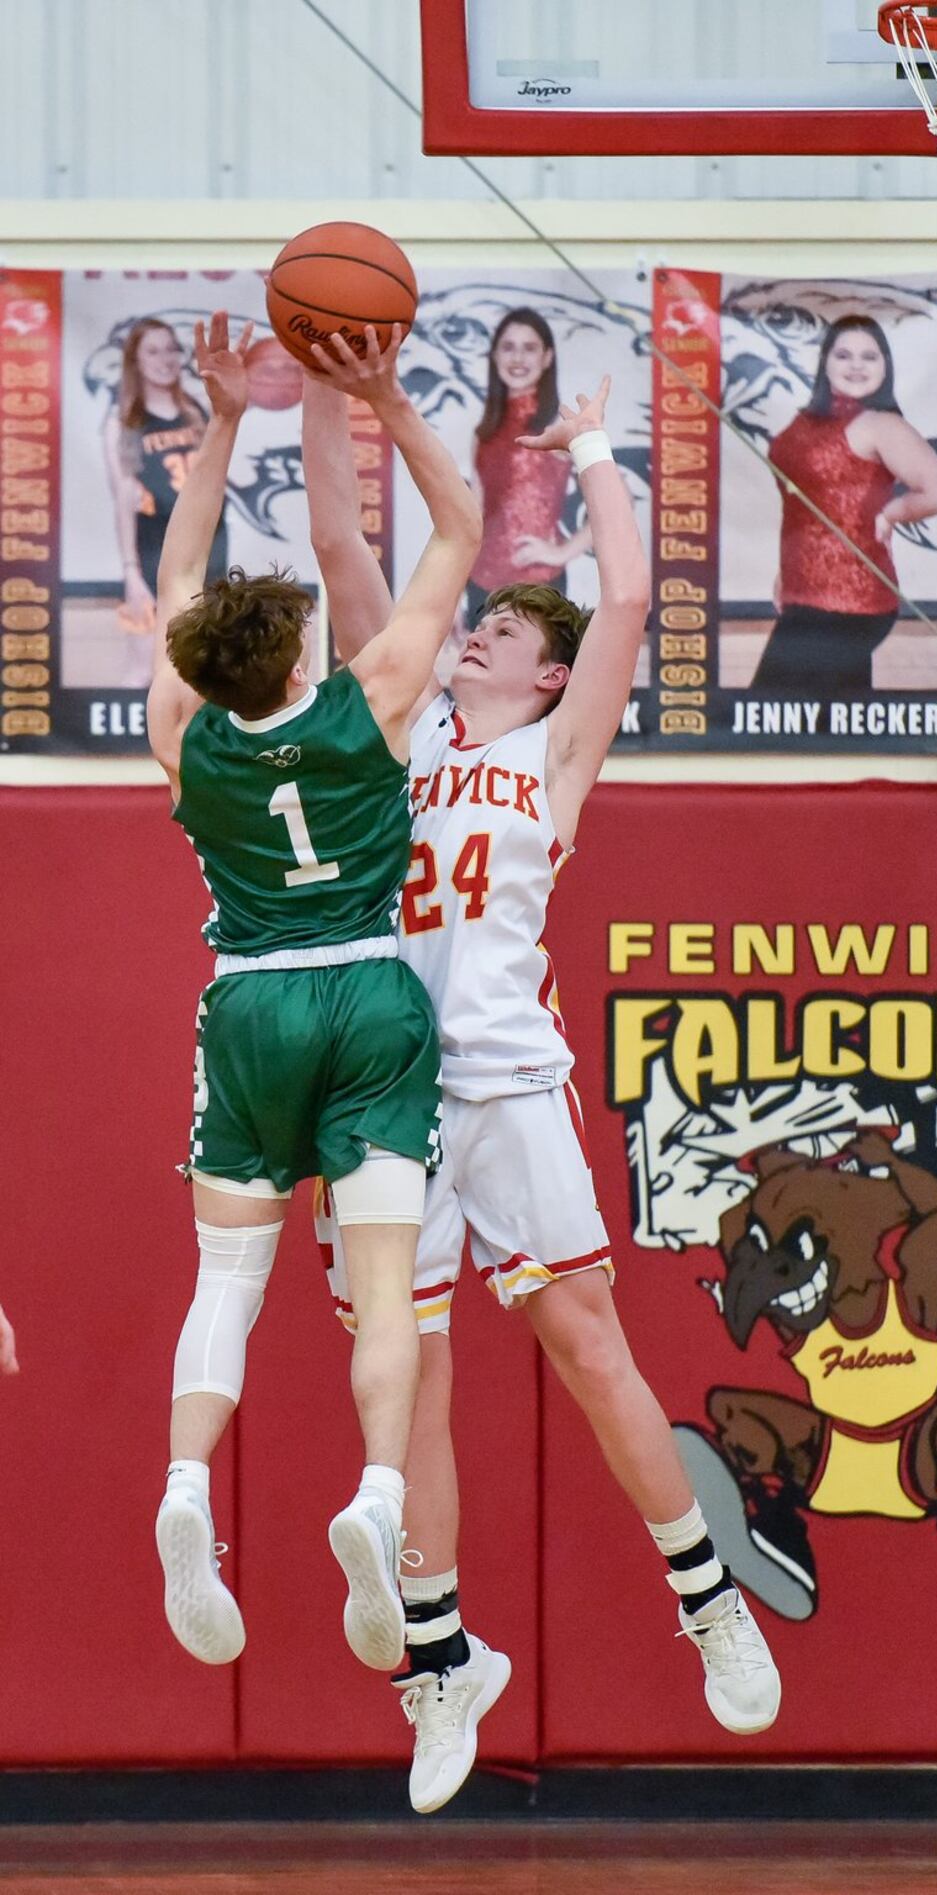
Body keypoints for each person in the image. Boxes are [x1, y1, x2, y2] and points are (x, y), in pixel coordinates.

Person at [302, 361, 782, 1816]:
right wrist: (333, 396)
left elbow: (626, 605)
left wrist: (595, 459)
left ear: (545, 674)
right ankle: (443, 1659)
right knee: (415, 1373)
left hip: (506, 1076)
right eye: (474, 622)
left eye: (497, 628)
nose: (470, 636)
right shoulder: (397, 731)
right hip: (382, 1084)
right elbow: (341, 549)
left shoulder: (552, 756)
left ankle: (708, 1594)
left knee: (587, 1339)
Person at [147, 313, 482, 1678]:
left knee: (227, 1275)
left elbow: (179, 573)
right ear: (298, 660)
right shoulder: (374, 697)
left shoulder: (184, 734)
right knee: (387, 1288)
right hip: (369, 998)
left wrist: (223, 422)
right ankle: (382, 1493)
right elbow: (455, 531)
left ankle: (184, 1489)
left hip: (248, 1006)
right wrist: (383, 398)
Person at [752, 313, 937, 695]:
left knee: (772, 712)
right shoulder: (808, 420)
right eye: (844, 355)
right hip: (804, 595)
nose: (857, 366)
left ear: (885, 366)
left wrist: (893, 513)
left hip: (852, 601)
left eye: (869, 356)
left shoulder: (881, 424)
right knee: (837, 719)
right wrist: (789, 574)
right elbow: (806, 505)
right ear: (825, 361)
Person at [101, 318, 229, 686]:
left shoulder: (197, 411)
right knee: (144, 668)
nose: (165, 359)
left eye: (171, 348)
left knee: (210, 669)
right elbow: (123, 501)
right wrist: (130, 571)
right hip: (154, 550)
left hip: (209, 546)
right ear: (135, 361)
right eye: (152, 351)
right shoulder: (122, 423)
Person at [466, 307, 591, 622]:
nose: (517, 358)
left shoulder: (560, 425)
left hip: (539, 590)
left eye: (529, 348)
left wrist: (562, 552)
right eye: (508, 347)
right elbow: (471, 520)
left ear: (547, 357)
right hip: (479, 586)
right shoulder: (484, 433)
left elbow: (620, 501)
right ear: (494, 356)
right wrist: (452, 595)